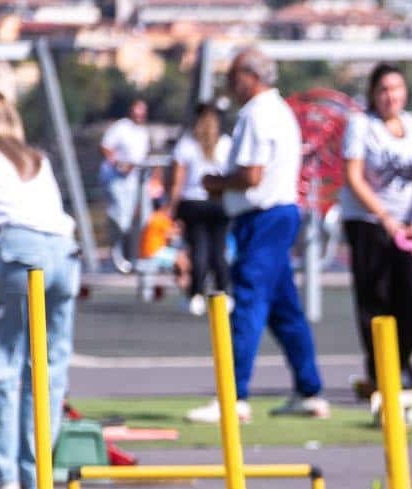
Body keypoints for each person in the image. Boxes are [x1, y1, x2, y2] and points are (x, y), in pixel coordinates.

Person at [191, 46, 327, 425]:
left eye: (233, 76)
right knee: (285, 310)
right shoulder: (279, 110)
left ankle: (234, 396)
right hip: (277, 214)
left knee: (248, 304)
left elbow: (251, 175)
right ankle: (309, 389)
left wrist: (215, 183)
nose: (230, 84)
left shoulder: (257, 113)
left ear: (249, 76)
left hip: (263, 217)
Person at [0, 89, 79, 489]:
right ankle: (37, 469)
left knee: (1, 357)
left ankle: (0, 471)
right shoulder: (36, 159)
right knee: (49, 365)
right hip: (64, 251)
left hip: (19, 249)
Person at [340, 63, 412, 393]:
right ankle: (380, 370)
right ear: (373, 93)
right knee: (376, 297)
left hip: (411, 226)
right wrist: (384, 216)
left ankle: (400, 362)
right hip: (369, 223)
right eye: (383, 90)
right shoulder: (361, 126)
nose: (390, 96)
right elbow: (354, 176)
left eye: (395, 89)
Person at [165, 102, 230, 315]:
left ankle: (196, 295)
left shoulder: (186, 145)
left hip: (193, 202)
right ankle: (224, 293)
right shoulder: (226, 144)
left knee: (199, 248)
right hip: (219, 203)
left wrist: (171, 207)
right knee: (218, 250)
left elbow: (177, 180)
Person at [99, 98, 149, 270]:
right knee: (120, 218)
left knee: (135, 220)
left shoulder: (143, 132)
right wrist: (118, 164)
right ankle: (116, 253)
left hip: (135, 181)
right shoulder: (121, 127)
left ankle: (130, 255)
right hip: (117, 179)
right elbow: (105, 147)